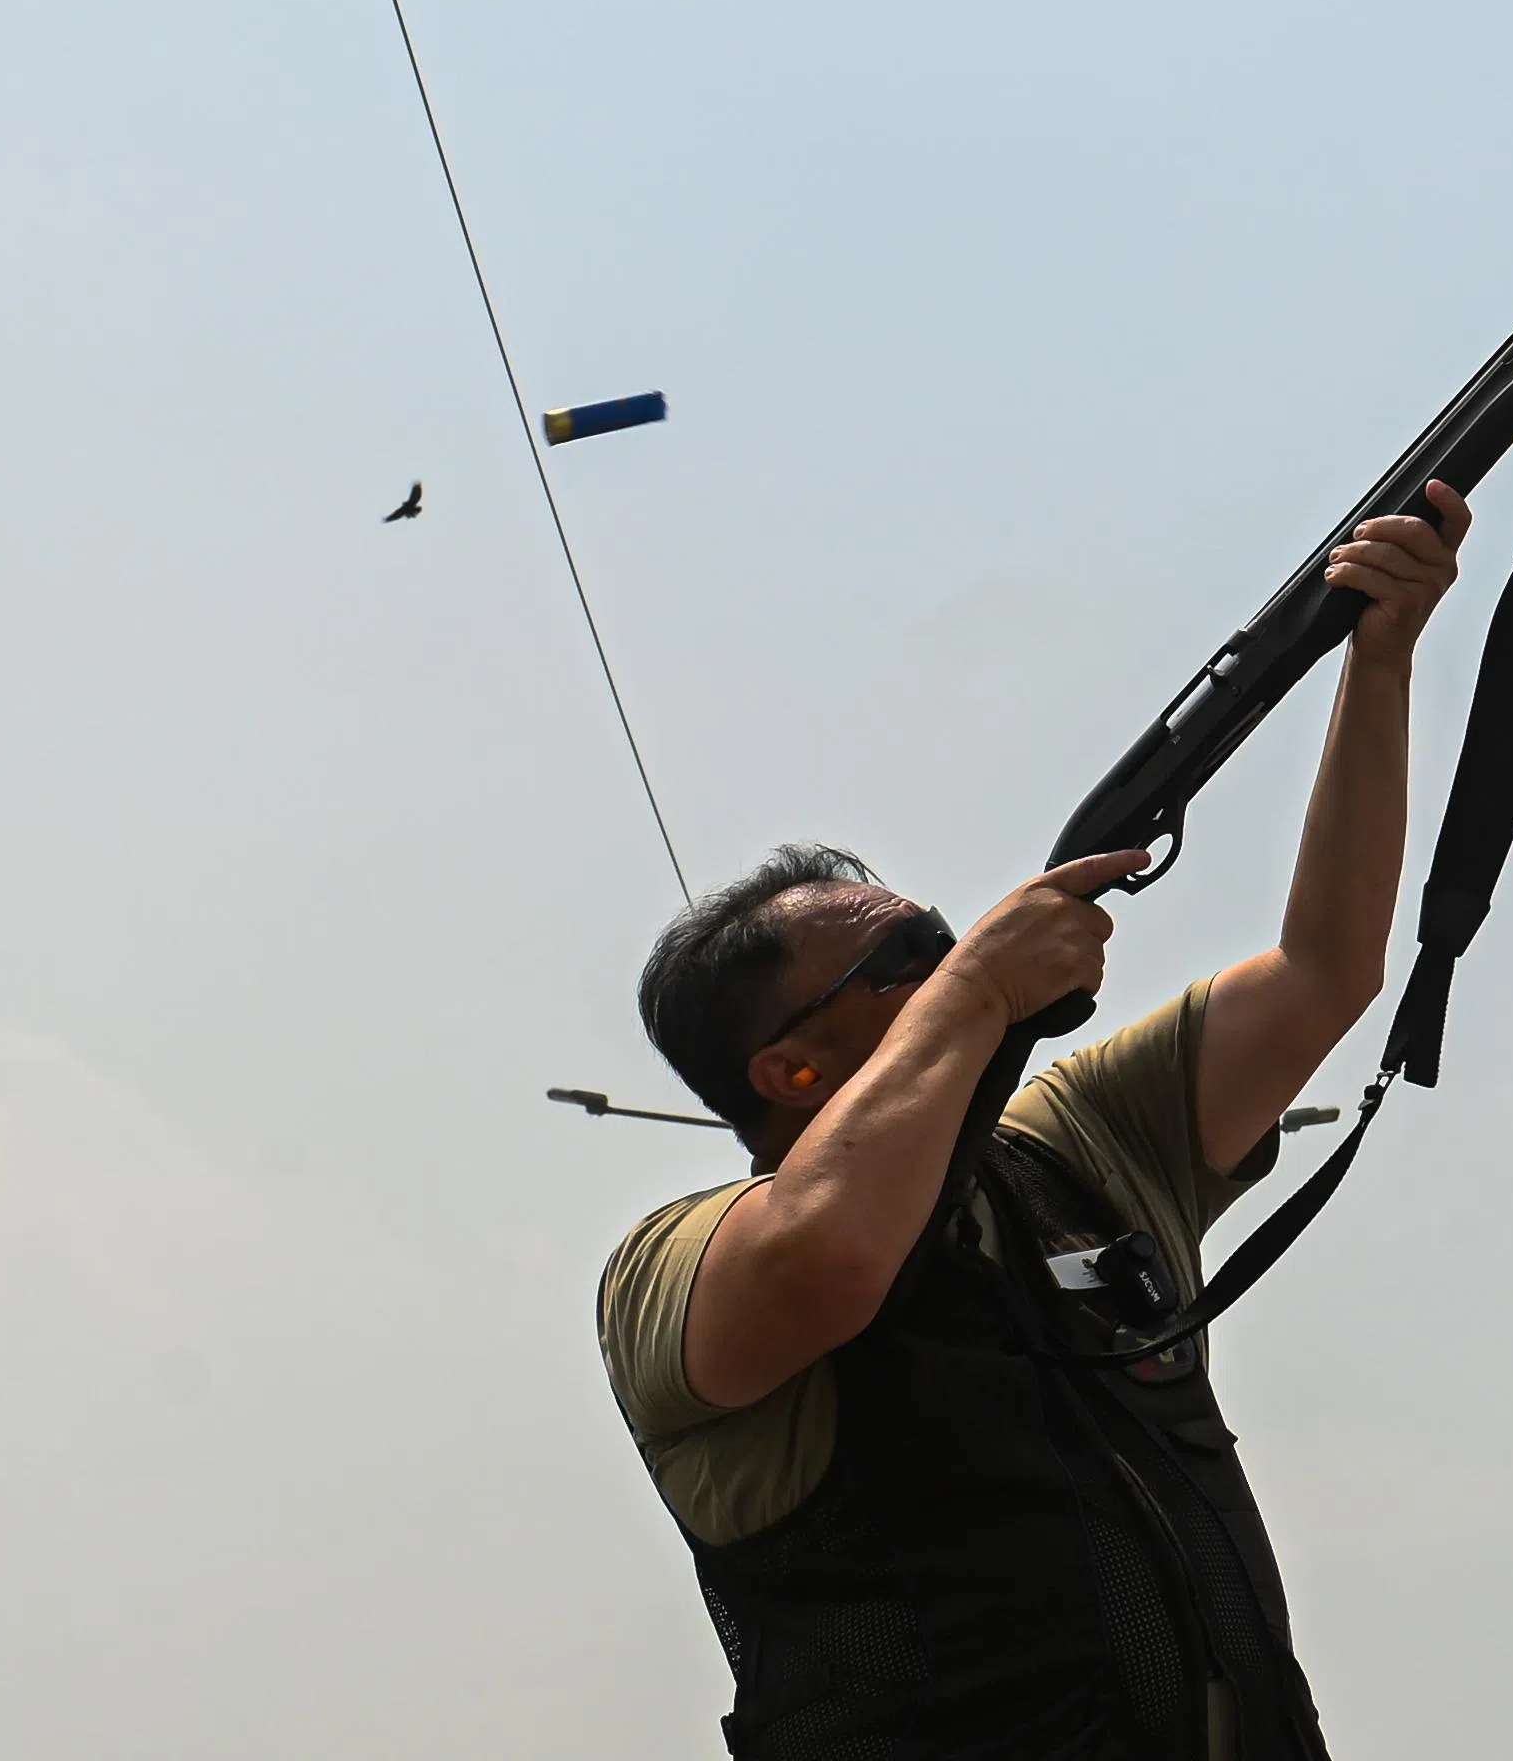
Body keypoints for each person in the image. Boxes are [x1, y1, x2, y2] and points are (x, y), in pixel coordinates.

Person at [601, 503, 1469, 1761]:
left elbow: (1325, 970)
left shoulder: (1066, 1147)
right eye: (905, 959)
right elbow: (833, 1254)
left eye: (945, 939)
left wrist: (1378, 657)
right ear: (787, 1068)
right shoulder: (670, 1267)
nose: (950, 959)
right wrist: (977, 994)